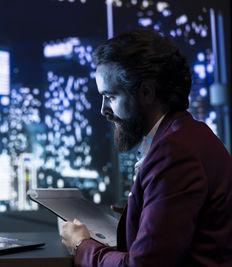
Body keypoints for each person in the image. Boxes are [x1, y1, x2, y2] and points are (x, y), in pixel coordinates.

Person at [60, 29, 232, 266]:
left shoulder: (175, 153)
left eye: (110, 96)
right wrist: (142, 213)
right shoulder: (190, 134)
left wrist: (82, 246)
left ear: (147, 92)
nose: (103, 110)